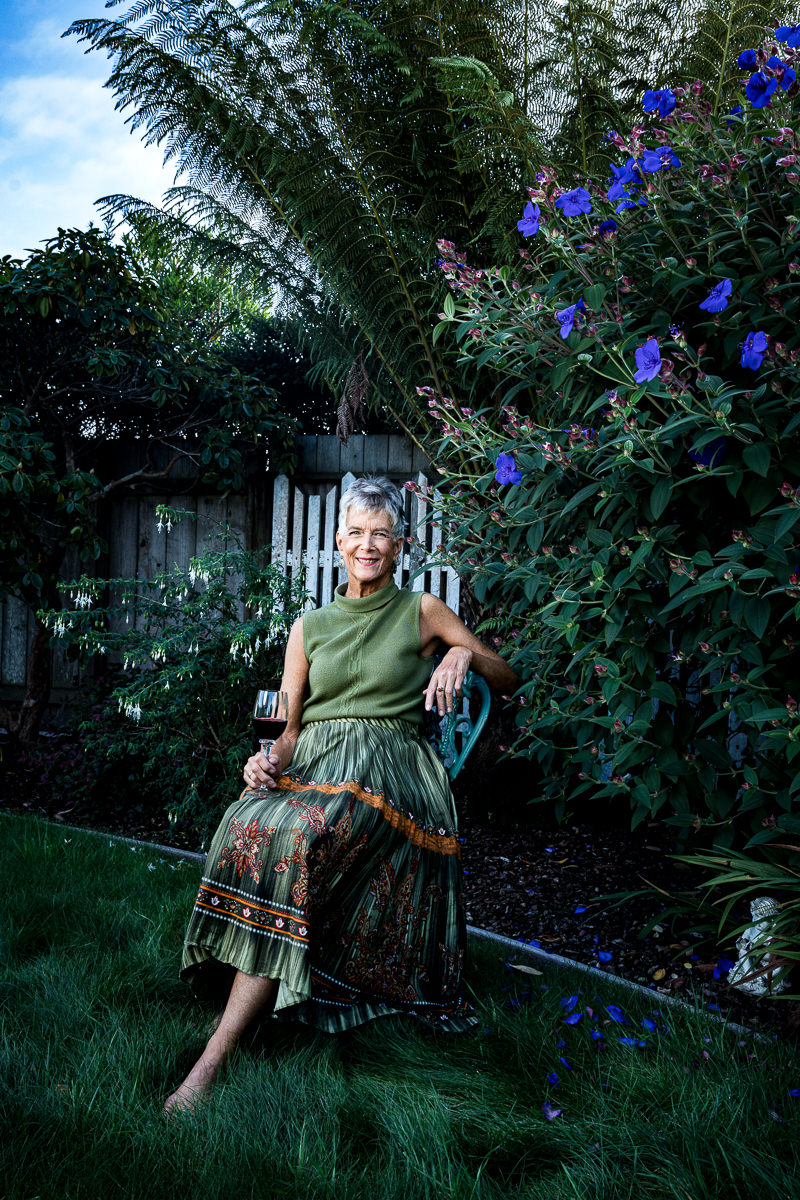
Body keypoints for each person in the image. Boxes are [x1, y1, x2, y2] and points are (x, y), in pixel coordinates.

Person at [164, 475, 517, 1113]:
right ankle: (260, 982)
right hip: (316, 762)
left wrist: (461, 656)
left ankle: (214, 1056)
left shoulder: (421, 610)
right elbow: (290, 727)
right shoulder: (309, 626)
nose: (368, 544)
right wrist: (265, 761)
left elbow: (505, 672)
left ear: (400, 544)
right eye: (356, 532)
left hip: (390, 767)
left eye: (380, 533)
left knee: (302, 835)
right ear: (338, 541)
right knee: (247, 824)